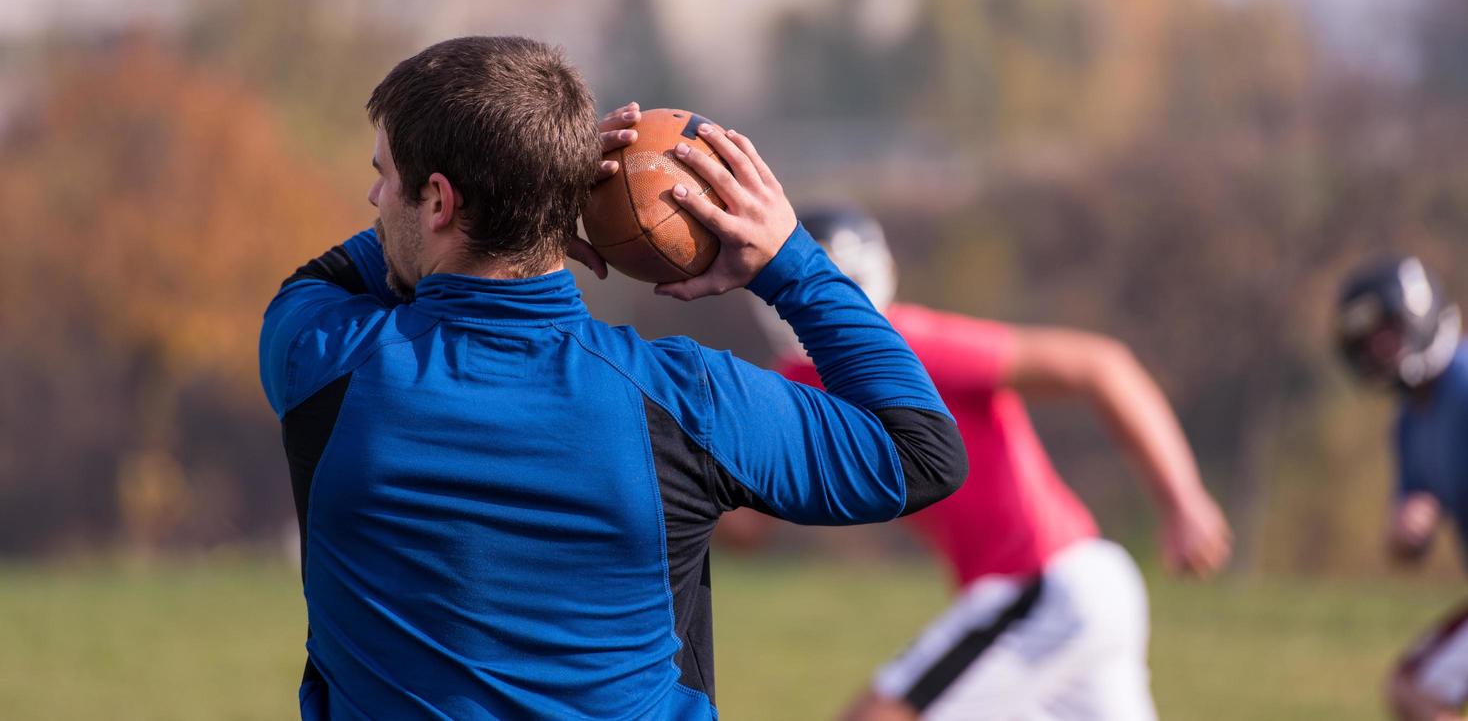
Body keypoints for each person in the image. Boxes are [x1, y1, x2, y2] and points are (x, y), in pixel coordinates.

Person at [257, 36, 966, 719]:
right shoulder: (683, 401)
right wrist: (791, 262)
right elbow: (922, 453)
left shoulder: (320, 360)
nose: (375, 197)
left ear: (440, 202)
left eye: (385, 174)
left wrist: (526, 190)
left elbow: (327, 279)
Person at [741, 205, 1231, 721]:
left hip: (1046, 584)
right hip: (1071, 589)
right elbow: (747, 529)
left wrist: (1184, 500)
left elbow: (1101, 365)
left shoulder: (904, 346)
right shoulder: (798, 378)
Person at [1335, 255, 1468, 721]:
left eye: (1387, 334)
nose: (1379, 351)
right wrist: (1408, 529)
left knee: (1414, 688)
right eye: (1370, 343)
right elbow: (1407, 549)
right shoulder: (1411, 421)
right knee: (1412, 687)